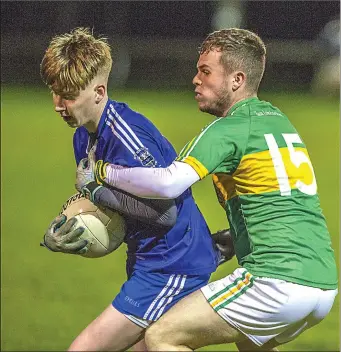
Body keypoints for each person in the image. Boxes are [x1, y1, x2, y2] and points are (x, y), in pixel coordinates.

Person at [83, 28, 339, 351]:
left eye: (206, 72)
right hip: (322, 285)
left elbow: (167, 182)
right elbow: (280, 206)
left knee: (163, 336)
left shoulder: (229, 129)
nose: (195, 79)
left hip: (274, 281)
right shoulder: (278, 121)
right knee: (251, 343)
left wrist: (104, 172)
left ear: (237, 80)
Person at [40, 27, 231, 352]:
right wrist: (59, 233)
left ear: (99, 92)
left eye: (69, 95)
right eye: (55, 92)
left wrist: (96, 192)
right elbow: (115, 210)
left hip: (172, 265)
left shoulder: (128, 136)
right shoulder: (83, 137)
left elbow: (165, 214)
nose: (60, 105)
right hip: (151, 261)